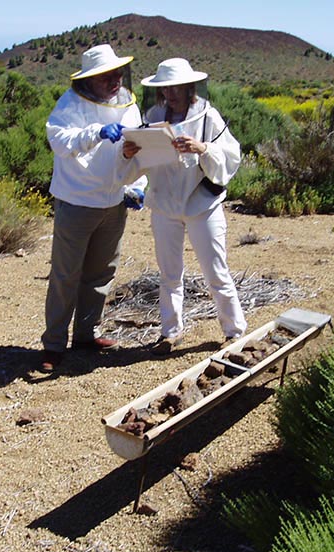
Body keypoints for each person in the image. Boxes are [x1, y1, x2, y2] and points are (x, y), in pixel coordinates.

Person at [39, 44, 146, 372]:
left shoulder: (128, 104)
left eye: (117, 73)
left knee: (102, 272)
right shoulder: (70, 103)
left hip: (113, 202)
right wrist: (95, 133)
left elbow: (139, 148)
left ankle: (86, 334)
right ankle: (54, 344)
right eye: (106, 76)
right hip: (77, 200)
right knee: (65, 275)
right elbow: (58, 139)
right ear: (90, 79)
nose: (114, 80)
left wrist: (137, 187)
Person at [129, 58, 247, 354]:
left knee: (216, 271)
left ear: (188, 86)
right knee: (169, 273)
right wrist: (132, 151)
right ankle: (170, 331)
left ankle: (235, 331)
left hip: (201, 204)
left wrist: (203, 148)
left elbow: (231, 156)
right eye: (165, 88)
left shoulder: (208, 117)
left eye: (175, 87)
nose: (170, 93)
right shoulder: (153, 115)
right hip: (165, 203)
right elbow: (144, 158)